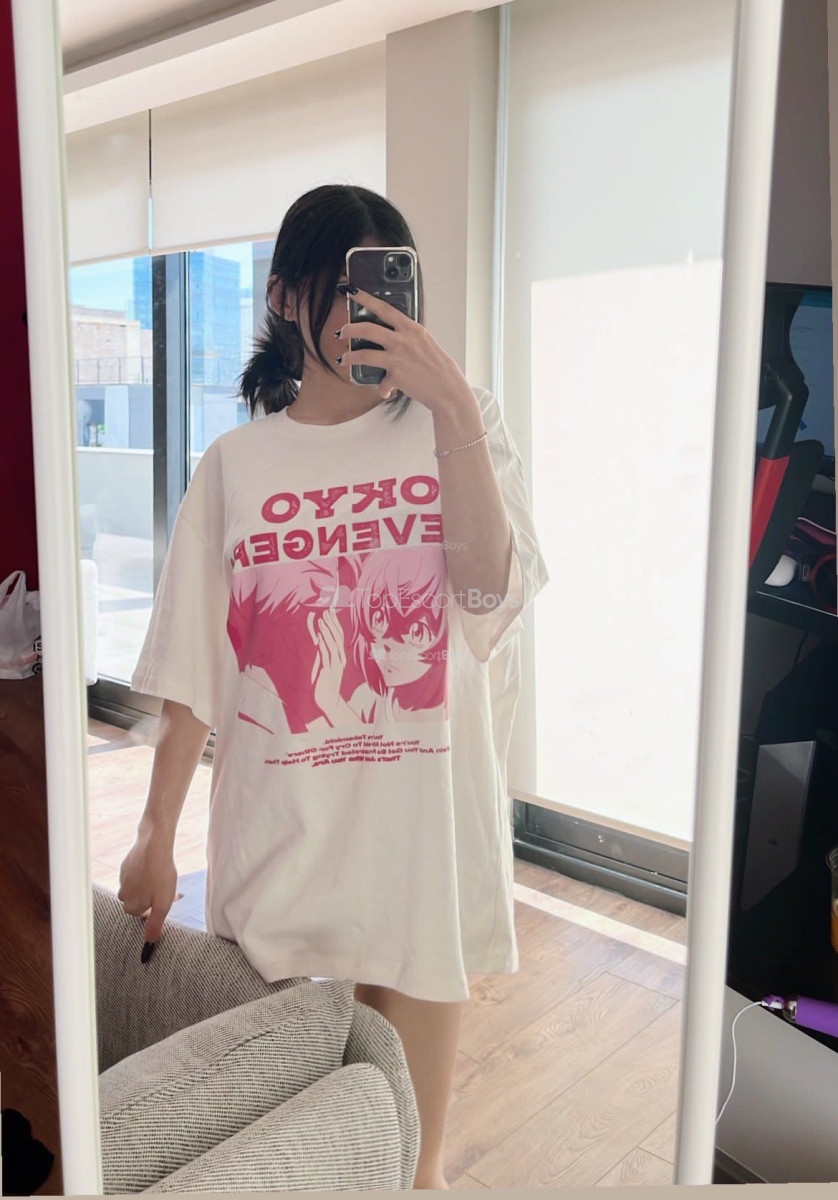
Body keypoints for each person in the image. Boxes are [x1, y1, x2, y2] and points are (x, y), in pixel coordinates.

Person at [118, 183, 549, 1190]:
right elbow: (192, 669)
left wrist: (451, 407)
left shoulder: (463, 422)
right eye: (346, 290)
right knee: (283, 1150)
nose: (370, 314)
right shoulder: (236, 464)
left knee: (412, 1168)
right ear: (283, 296)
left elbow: (487, 593)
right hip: (284, 832)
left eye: (389, 289)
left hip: (418, 841)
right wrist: (153, 833)